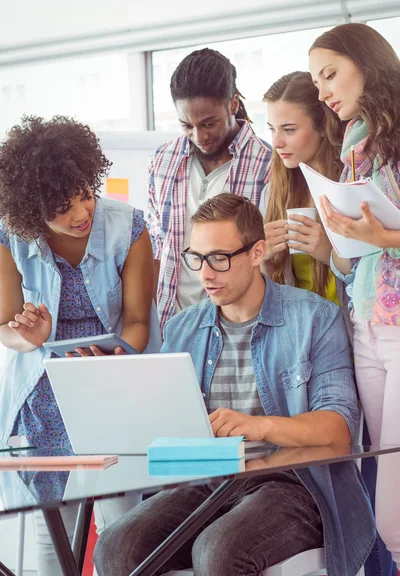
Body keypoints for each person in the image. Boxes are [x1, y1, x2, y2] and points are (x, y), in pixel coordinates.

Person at [94, 193, 375, 576]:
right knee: (116, 547)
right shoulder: (183, 326)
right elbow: (170, 426)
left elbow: (338, 430)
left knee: (217, 550)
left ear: (257, 252)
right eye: (197, 258)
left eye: (219, 259)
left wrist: (260, 425)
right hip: (207, 483)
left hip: (295, 485)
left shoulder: (315, 319)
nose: (205, 274)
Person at [0, 115, 155, 574]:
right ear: (32, 210)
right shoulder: (11, 236)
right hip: (44, 397)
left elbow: (138, 323)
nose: (82, 212)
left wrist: (115, 357)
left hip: (112, 386)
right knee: (54, 535)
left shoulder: (129, 227)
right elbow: (4, 327)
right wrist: (27, 338)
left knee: (124, 529)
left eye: (86, 193)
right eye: (63, 207)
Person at [309, 22, 400, 573]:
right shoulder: (354, 145)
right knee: (382, 496)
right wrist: (335, 238)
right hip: (366, 321)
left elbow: (383, 240)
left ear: (367, 64)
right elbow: (356, 260)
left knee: (394, 509)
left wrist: (382, 237)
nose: (322, 91)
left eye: (330, 74)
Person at [147, 48, 272, 329]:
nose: (199, 136)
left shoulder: (268, 164)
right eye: (186, 125)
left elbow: (268, 260)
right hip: (173, 323)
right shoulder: (162, 160)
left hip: (241, 325)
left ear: (233, 104)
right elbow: (157, 247)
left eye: (208, 123)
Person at [259, 71, 353, 334]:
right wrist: (264, 259)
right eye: (272, 129)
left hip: (351, 338)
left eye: (289, 130)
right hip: (301, 338)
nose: (276, 142)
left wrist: (329, 254)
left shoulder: (350, 187)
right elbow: (271, 291)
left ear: (323, 127)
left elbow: (379, 278)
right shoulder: (274, 192)